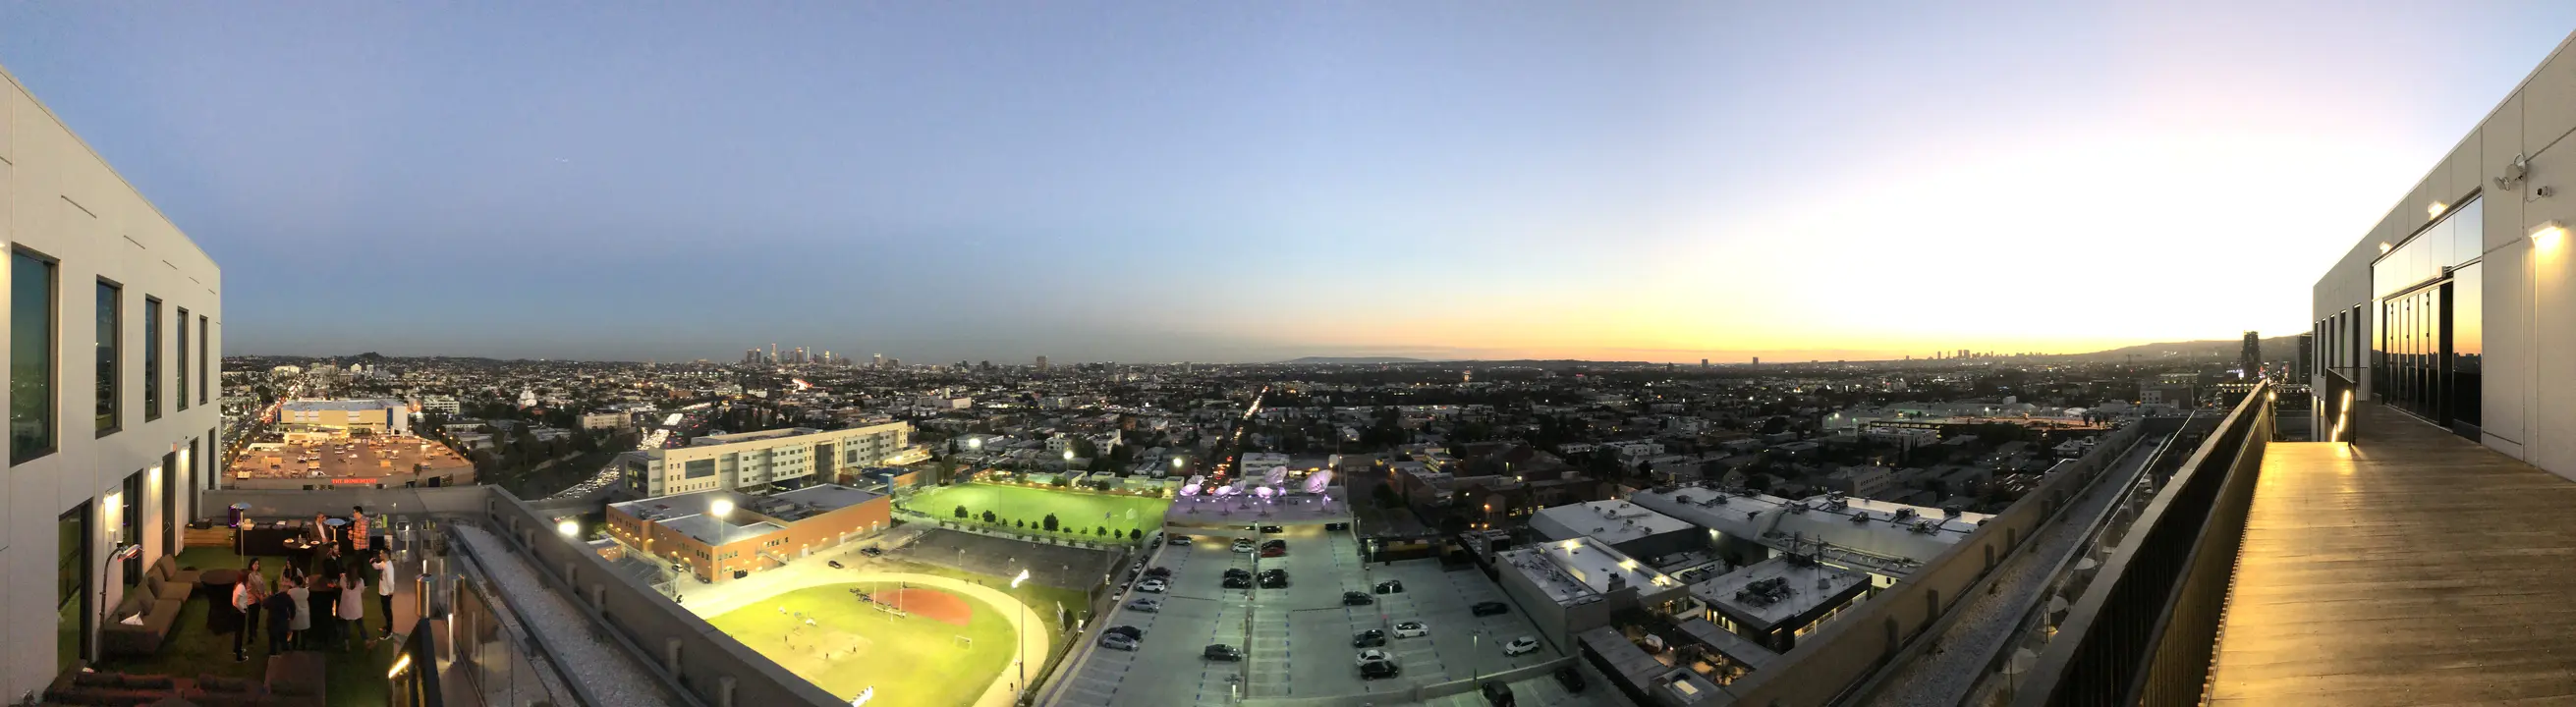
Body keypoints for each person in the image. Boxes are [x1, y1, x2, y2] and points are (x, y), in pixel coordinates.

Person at [231, 559, 266, 662]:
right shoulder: (241, 588)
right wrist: (242, 610)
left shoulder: (240, 586)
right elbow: (235, 601)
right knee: (239, 633)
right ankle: (239, 656)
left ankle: (237, 649)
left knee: (239, 633)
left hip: (240, 610)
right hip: (239, 612)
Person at [263, 575, 299, 656]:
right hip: (283, 621)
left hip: (272, 622)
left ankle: (273, 654)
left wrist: (268, 596)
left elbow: (264, 605)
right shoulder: (285, 596)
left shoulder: (271, 598)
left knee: (273, 640)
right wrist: (292, 616)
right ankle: (286, 654)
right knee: (283, 639)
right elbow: (292, 606)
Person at [337, 568, 368, 651]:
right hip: (356, 607)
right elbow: (362, 590)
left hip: (346, 606)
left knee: (345, 626)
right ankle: (366, 641)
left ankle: (347, 645)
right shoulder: (360, 581)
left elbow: (341, 586)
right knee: (360, 625)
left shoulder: (343, 579)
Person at [284, 565, 313, 649]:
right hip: (304, 613)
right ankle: (303, 646)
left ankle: (294, 646)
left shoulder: (290, 591)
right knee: (303, 631)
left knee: (295, 631)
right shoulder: (306, 591)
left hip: (296, 614)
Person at [372, 549, 397, 638]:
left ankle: (389, 631)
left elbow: (391, 581)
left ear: (385, 555)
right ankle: (387, 627)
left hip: (386, 593)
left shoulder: (388, 567)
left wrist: (391, 591)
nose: (379, 554)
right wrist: (373, 563)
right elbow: (377, 566)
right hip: (383, 591)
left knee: (387, 612)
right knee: (385, 611)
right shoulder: (384, 563)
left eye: (381, 553)